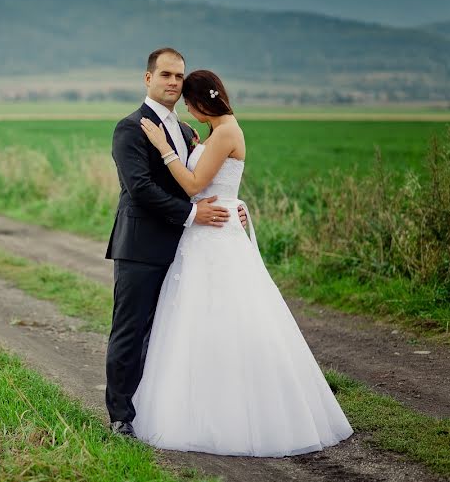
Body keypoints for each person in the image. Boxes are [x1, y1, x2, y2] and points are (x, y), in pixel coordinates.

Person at [131, 69, 353, 457]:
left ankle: (232, 413)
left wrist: (162, 147)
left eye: (189, 103)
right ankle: (202, 407)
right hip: (207, 233)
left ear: (201, 101)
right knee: (199, 322)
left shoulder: (228, 131)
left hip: (214, 238)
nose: (186, 109)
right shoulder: (219, 131)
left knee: (226, 318)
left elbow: (195, 185)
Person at [104, 48, 247, 437]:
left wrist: (235, 208)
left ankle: (161, 411)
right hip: (141, 248)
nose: (172, 82)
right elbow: (140, 188)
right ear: (148, 78)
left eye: (178, 76)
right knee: (131, 330)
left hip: (189, 250)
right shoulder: (130, 128)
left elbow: (206, 183)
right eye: (165, 75)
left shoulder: (187, 132)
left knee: (170, 332)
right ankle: (121, 416)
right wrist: (191, 215)